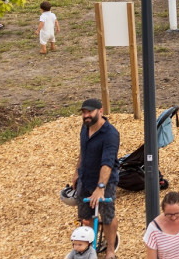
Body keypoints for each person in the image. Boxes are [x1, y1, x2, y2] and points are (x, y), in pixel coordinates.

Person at [73, 98, 119, 256]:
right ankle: (88, 247)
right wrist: (77, 172)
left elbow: (107, 163)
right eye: (84, 112)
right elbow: (83, 151)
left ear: (100, 111)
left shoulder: (110, 134)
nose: (86, 115)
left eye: (89, 112)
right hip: (85, 179)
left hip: (105, 182)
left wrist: (100, 188)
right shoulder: (85, 127)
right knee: (85, 217)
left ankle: (111, 250)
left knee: (107, 215)